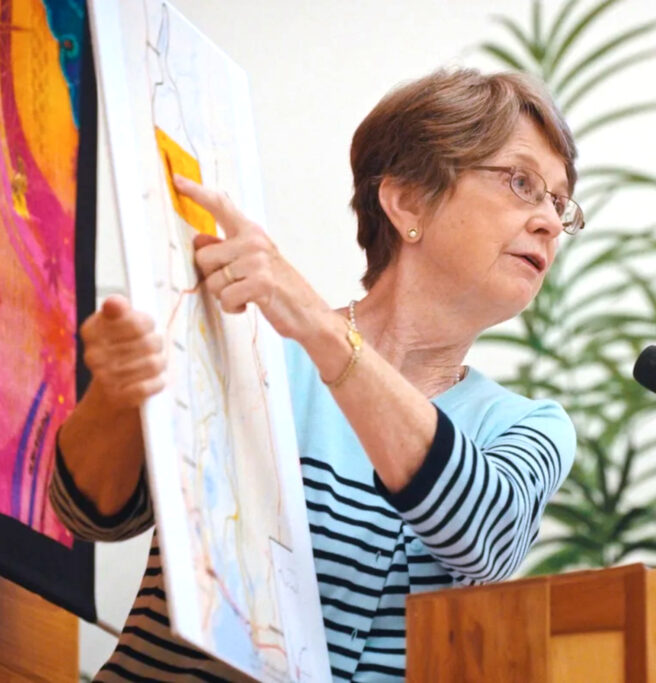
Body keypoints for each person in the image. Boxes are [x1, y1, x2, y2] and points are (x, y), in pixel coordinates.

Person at [49, 68, 583, 681]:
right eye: (521, 183)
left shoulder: (530, 425)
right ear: (408, 199)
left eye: (558, 202)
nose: (547, 220)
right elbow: (92, 517)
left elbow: (486, 536)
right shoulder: (252, 342)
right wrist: (117, 396)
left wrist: (317, 325)